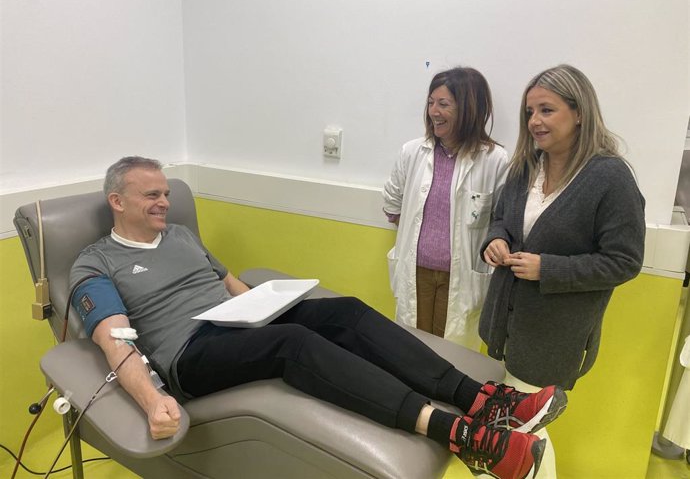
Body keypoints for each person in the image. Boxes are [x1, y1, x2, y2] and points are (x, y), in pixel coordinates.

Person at [70, 156, 567, 479]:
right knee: (293, 344)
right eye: (151, 195)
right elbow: (116, 343)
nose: (165, 202)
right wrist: (154, 399)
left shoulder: (179, 236)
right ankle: (456, 433)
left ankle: (480, 399)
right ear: (118, 202)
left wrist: (267, 304)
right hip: (191, 354)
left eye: (165, 193)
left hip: (236, 322)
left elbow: (227, 284)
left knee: (344, 313)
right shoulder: (96, 262)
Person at [479, 65, 646, 478]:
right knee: (518, 429)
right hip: (505, 322)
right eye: (529, 112)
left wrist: (547, 269)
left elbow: (624, 261)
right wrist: (495, 241)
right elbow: (501, 220)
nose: (534, 121)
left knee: (520, 430)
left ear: (580, 113)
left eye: (547, 110)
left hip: (554, 336)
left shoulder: (610, 178)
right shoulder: (524, 167)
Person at [383, 67, 508, 349]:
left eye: (443, 104)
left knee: (452, 355)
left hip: (462, 278)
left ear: (469, 109)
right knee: (411, 349)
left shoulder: (495, 160)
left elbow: (502, 220)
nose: (433, 112)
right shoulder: (413, 152)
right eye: (430, 103)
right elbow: (392, 203)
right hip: (416, 271)